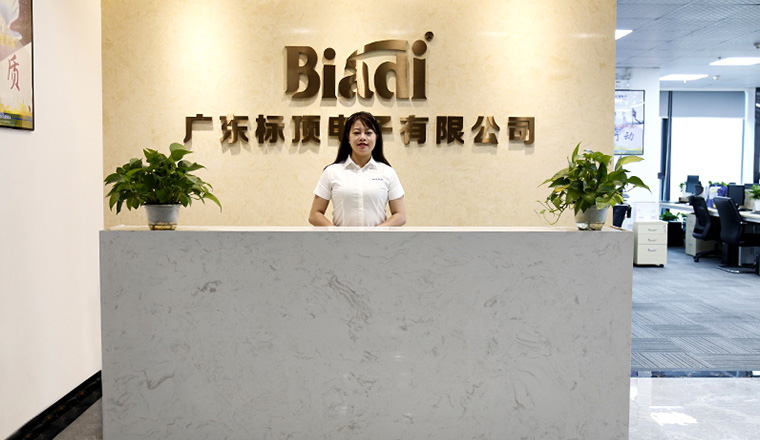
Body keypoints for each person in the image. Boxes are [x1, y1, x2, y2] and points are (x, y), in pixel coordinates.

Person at [309, 111, 406, 226]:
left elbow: (400, 215)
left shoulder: (388, 172)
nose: (362, 137)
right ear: (348, 137)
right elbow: (315, 214)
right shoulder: (331, 172)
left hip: (378, 238)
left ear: (376, 137)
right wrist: (336, 233)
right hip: (341, 238)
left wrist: (378, 231)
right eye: (356, 133)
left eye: (368, 133)